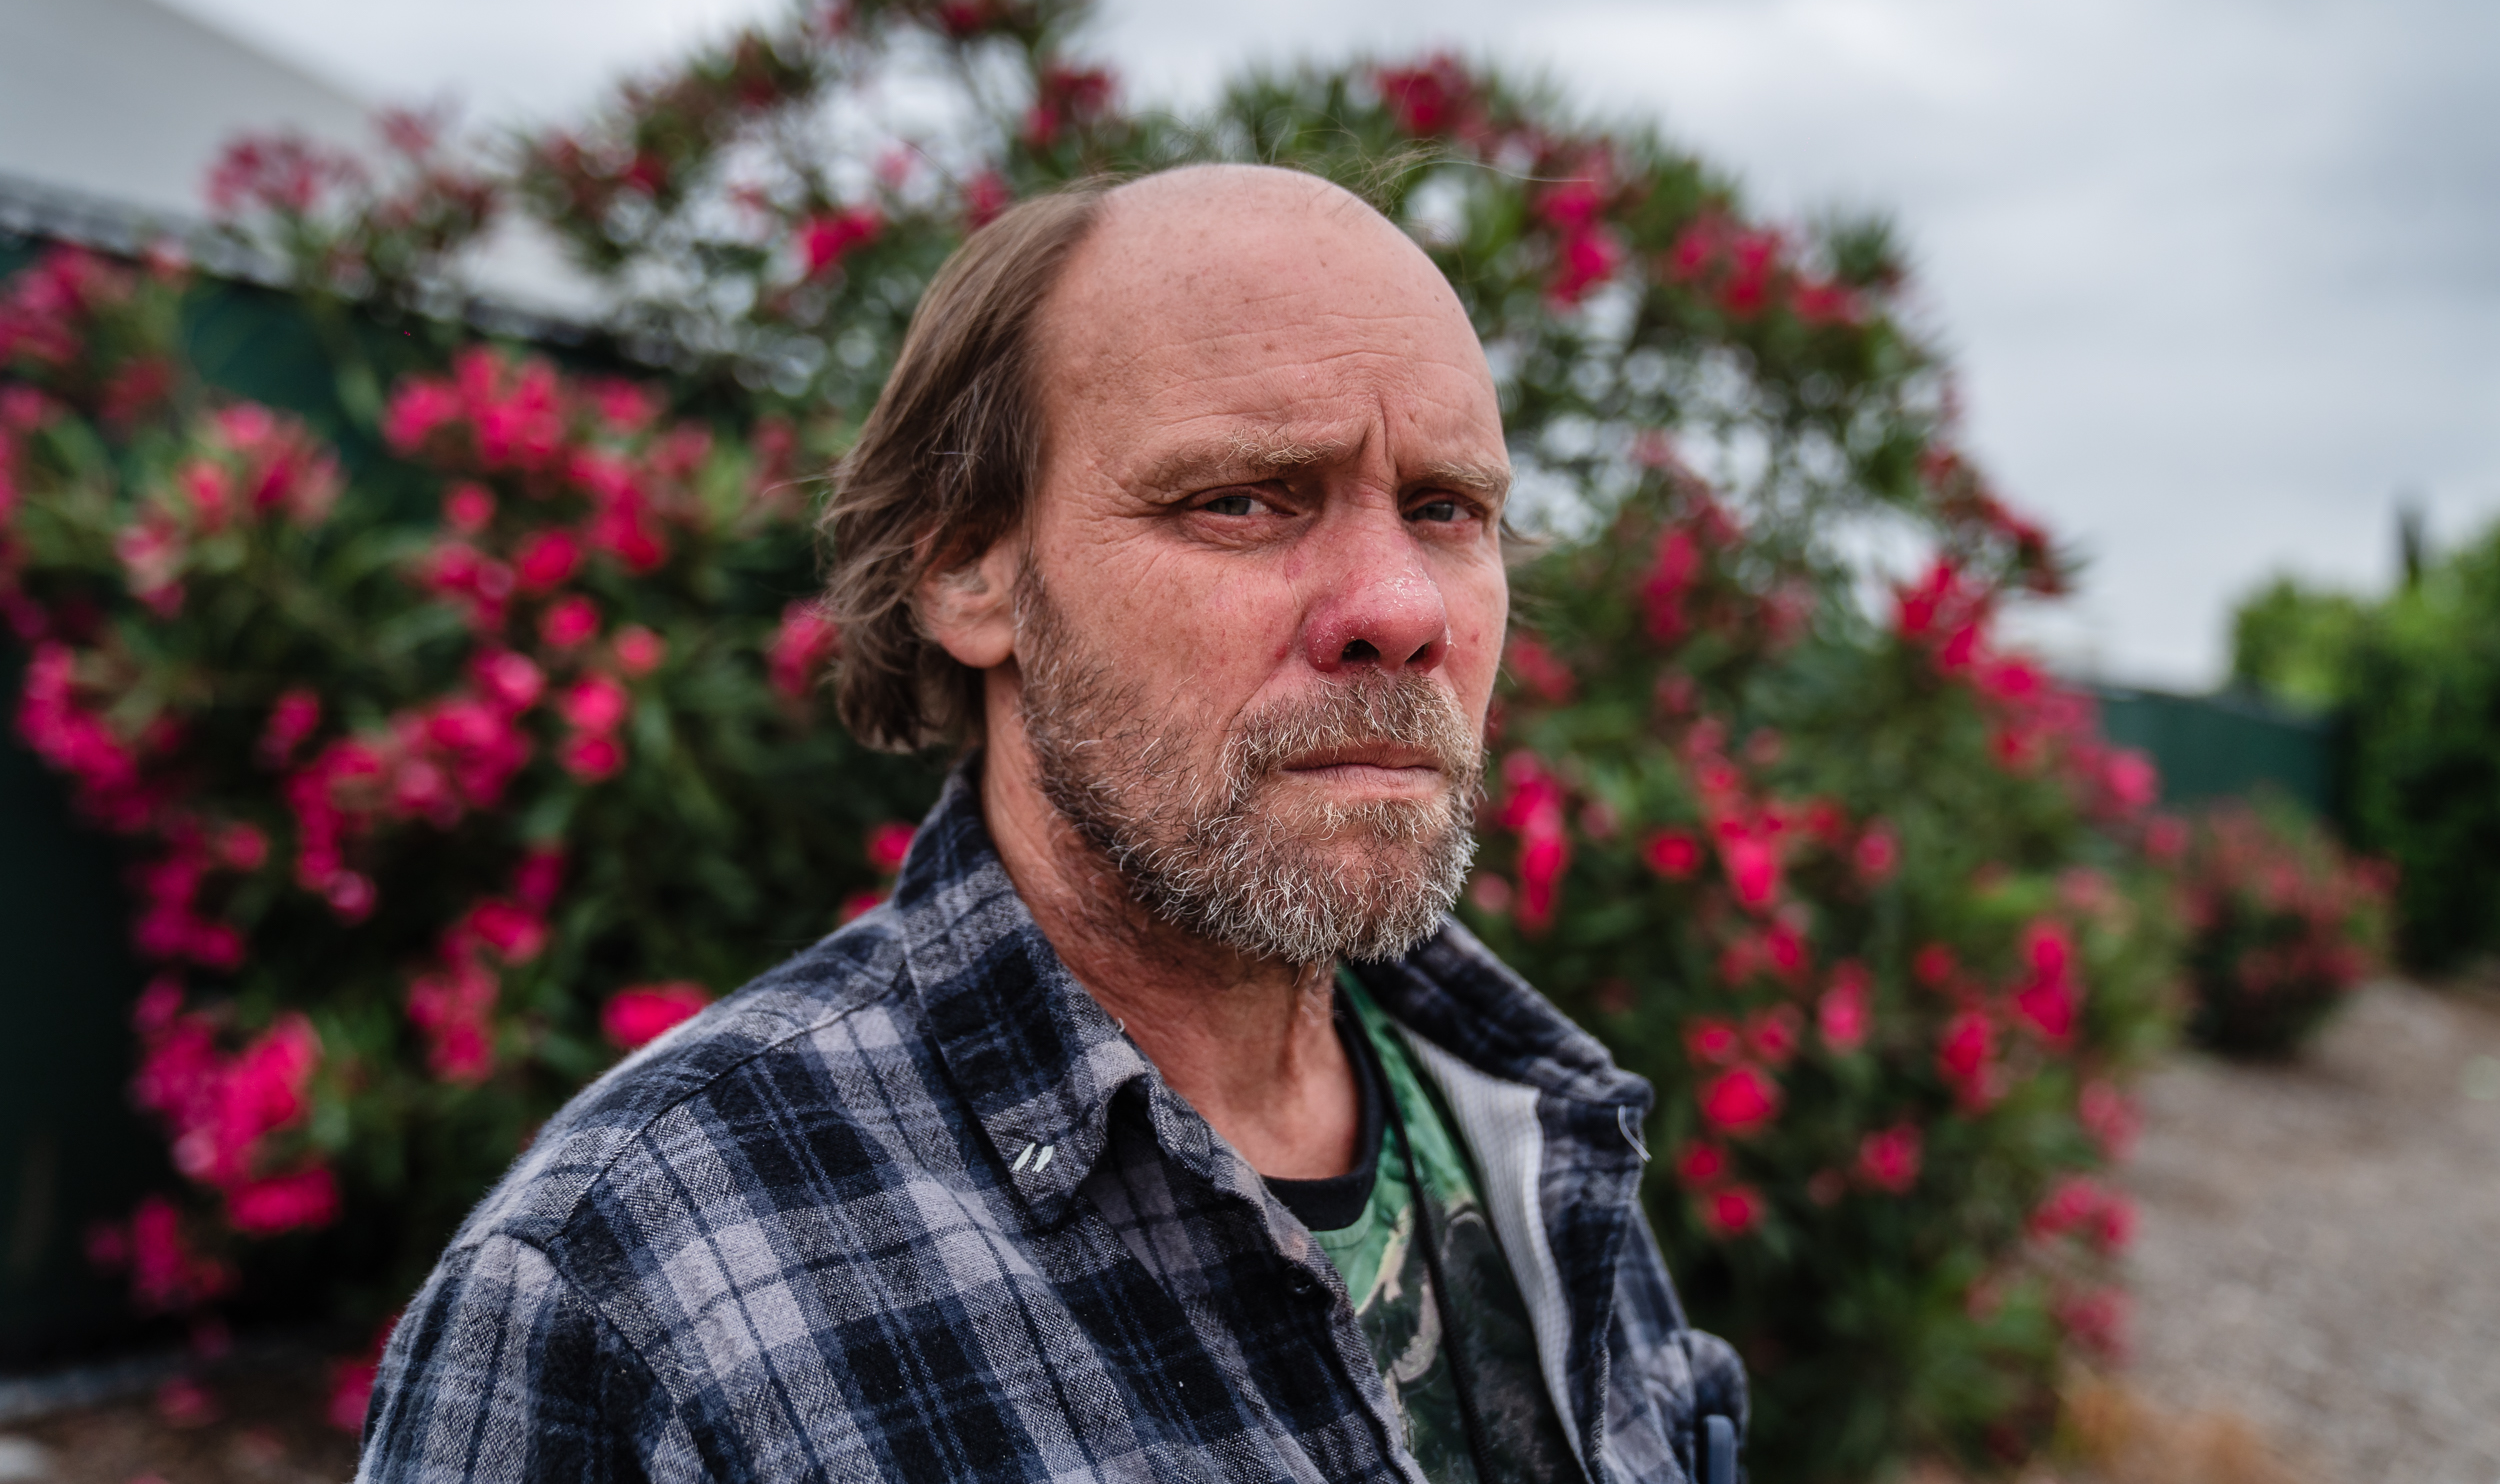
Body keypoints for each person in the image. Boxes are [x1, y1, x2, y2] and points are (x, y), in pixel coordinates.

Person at [358, 165, 1747, 1483]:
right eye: (1243, 501)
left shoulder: (1533, 1122)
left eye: (1448, 509)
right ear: (970, 570)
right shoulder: (630, 1281)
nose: (1402, 609)